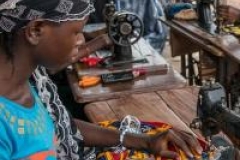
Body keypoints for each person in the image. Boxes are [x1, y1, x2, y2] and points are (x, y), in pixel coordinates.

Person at [0, 0, 204, 160]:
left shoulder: (31, 80)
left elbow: (59, 126)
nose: (81, 40)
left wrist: (144, 141)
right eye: (77, 32)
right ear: (35, 31)